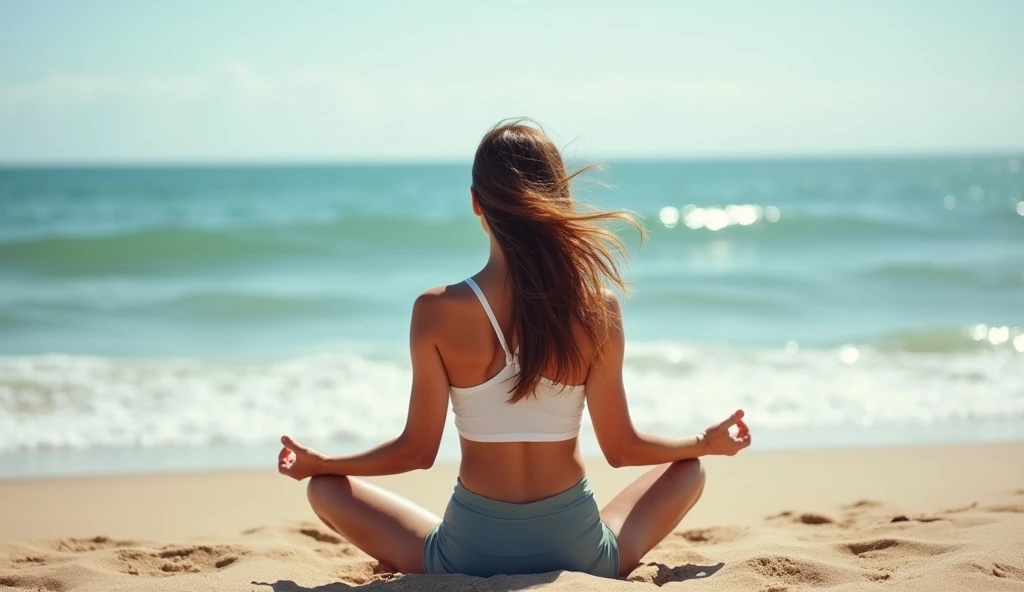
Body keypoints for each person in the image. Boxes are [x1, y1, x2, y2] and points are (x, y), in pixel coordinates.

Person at [277, 119, 752, 578]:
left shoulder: (434, 310)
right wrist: (703, 443)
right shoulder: (596, 307)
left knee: (325, 490)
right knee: (690, 471)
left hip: (468, 553)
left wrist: (324, 464)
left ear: (476, 203)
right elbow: (621, 449)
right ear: (559, 200)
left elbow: (416, 452)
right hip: (580, 553)